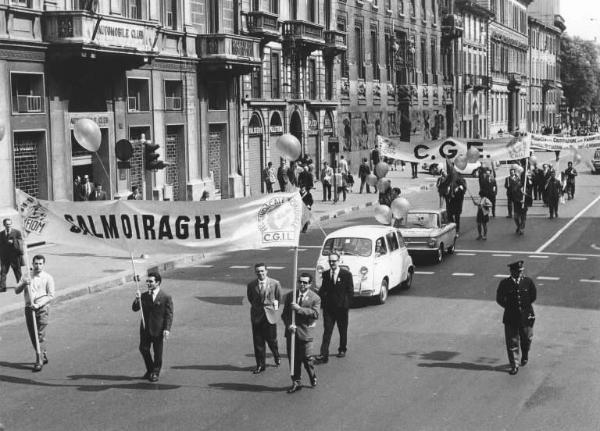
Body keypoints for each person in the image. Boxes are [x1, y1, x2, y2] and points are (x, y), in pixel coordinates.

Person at [15, 255, 55, 371]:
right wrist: (23, 284)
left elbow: (51, 295)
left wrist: (38, 304)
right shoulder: (27, 276)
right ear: (32, 264)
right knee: (33, 335)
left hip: (42, 308)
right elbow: (16, 290)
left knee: (40, 334)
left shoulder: (48, 277)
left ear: (44, 264)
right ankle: (43, 352)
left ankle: (39, 359)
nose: (38, 266)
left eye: (40, 264)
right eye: (36, 264)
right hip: (29, 308)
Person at [282, 273, 321, 393]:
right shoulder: (290, 296)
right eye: (300, 282)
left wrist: (299, 309)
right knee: (293, 359)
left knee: (306, 358)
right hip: (292, 333)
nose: (302, 284)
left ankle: (312, 375)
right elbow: (285, 315)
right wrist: (289, 325)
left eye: (305, 282)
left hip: (305, 334)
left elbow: (315, 314)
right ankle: (296, 382)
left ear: (310, 284)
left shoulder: (315, 298)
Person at [496, 260, 536, 375]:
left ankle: (525, 355)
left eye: (521, 271)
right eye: (517, 271)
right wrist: (510, 308)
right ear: (512, 271)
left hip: (526, 316)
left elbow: (533, 296)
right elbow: (499, 299)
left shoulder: (528, 282)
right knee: (512, 342)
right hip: (511, 317)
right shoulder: (504, 283)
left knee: (527, 338)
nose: (520, 273)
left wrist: (524, 308)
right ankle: (514, 365)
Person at [132, 271, 173, 382]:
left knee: (157, 353)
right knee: (143, 349)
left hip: (158, 329)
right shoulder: (144, 296)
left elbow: (169, 315)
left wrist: (167, 329)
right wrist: (137, 299)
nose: (148, 283)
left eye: (151, 281)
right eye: (147, 281)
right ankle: (150, 370)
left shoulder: (165, 297)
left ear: (158, 282)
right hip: (145, 329)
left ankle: (155, 372)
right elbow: (135, 308)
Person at [316, 252, 354, 363]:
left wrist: (346, 305)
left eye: (334, 261)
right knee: (327, 331)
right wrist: (318, 300)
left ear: (339, 261)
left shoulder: (346, 274)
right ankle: (323, 353)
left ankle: (342, 349)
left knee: (342, 330)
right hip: (329, 309)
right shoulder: (326, 274)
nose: (332, 263)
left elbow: (350, 291)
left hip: (342, 308)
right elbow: (323, 289)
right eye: (330, 261)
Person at [247, 263, 281, 374]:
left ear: (266, 271)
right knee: (258, 342)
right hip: (257, 316)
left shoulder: (275, 283)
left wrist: (272, 309)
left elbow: (278, 298)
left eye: (262, 271)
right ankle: (260, 365)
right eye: (258, 271)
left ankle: (276, 355)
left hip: (269, 316)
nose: (260, 273)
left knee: (271, 340)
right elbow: (251, 298)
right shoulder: (251, 285)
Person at [0, 218, 24, 293]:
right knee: (3, 272)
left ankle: (21, 285)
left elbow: (21, 242)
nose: (8, 226)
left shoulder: (17, 232)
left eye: (10, 224)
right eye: (7, 224)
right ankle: (2, 287)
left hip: (15, 256)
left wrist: (13, 242)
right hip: (4, 257)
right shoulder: (1, 234)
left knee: (17, 271)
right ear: (4, 225)